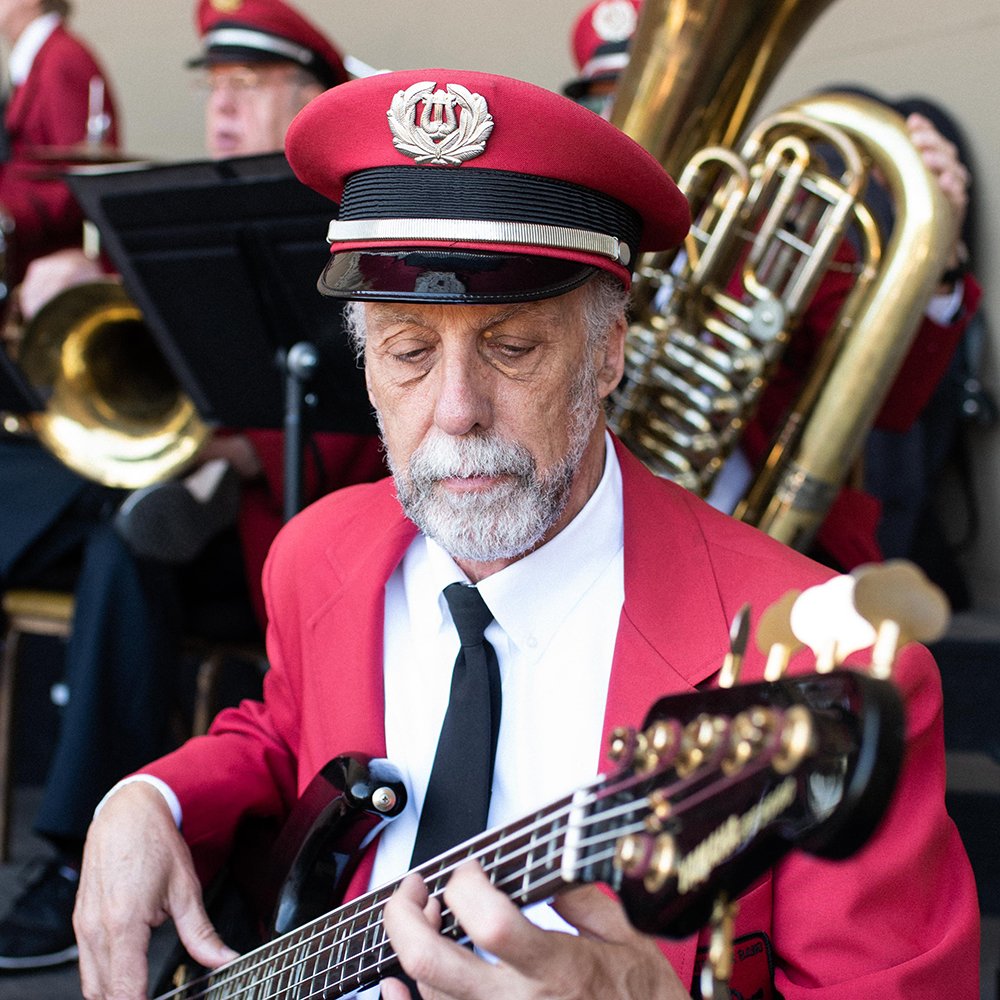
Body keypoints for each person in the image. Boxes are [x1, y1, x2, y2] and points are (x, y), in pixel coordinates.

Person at [72, 69, 978, 1000]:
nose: (456, 412)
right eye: (410, 351)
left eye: (513, 348)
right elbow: (281, 732)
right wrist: (150, 800)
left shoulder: (832, 658)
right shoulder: (319, 551)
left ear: (610, 350)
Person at [0, 0, 385, 972]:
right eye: (214, 85)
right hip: (220, 523)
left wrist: (236, 457)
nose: (222, 107)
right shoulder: (197, 220)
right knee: (118, 546)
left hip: (299, 529)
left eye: (250, 87)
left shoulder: (352, 224)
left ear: (308, 99)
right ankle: (79, 856)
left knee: (121, 536)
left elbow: (361, 417)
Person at [563, 1, 982, 575]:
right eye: (600, 98)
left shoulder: (785, 231)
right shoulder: (554, 250)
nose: (619, 114)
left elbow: (887, 400)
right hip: (585, 543)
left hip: (761, 541)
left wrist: (939, 267)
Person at [0, 0, 119, 294]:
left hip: (51, 273)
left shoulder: (62, 58)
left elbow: (77, 182)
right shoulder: (39, 59)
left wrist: (7, 211)